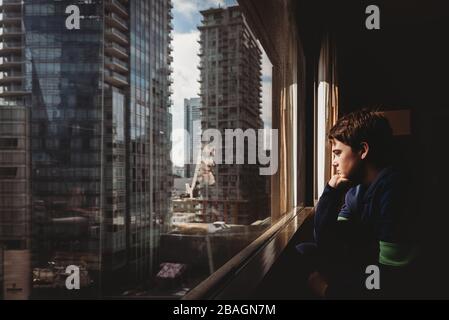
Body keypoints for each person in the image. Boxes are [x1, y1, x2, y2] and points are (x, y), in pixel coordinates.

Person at [296, 109, 419, 299]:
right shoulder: (356, 190)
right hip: (363, 263)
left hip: (384, 278)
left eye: (337, 153)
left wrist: (326, 290)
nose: (334, 162)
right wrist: (330, 192)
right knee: (303, 250)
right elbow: (327, 240)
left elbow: (390, 279)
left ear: (362, 150)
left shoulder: (394, 189)